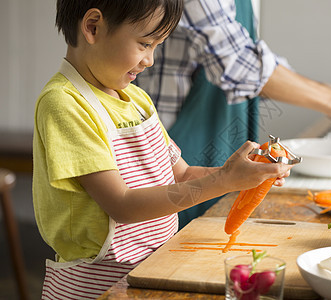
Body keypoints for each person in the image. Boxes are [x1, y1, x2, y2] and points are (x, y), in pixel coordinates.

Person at [32, 1, 292, 298]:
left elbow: (181, 174)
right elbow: (122, 204)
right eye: (144, 43)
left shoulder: (138, 100)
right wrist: (224, 181)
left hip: (153, 269)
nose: (150, 60)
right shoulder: (65, 104)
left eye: (157, 46)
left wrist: (238, 175)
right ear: (93, 27)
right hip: (97, 287)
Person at [135, 0, 331, 228]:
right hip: (177, 140)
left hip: (219, 133)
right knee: (173, 234)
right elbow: (236, 62)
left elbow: (247, 49)